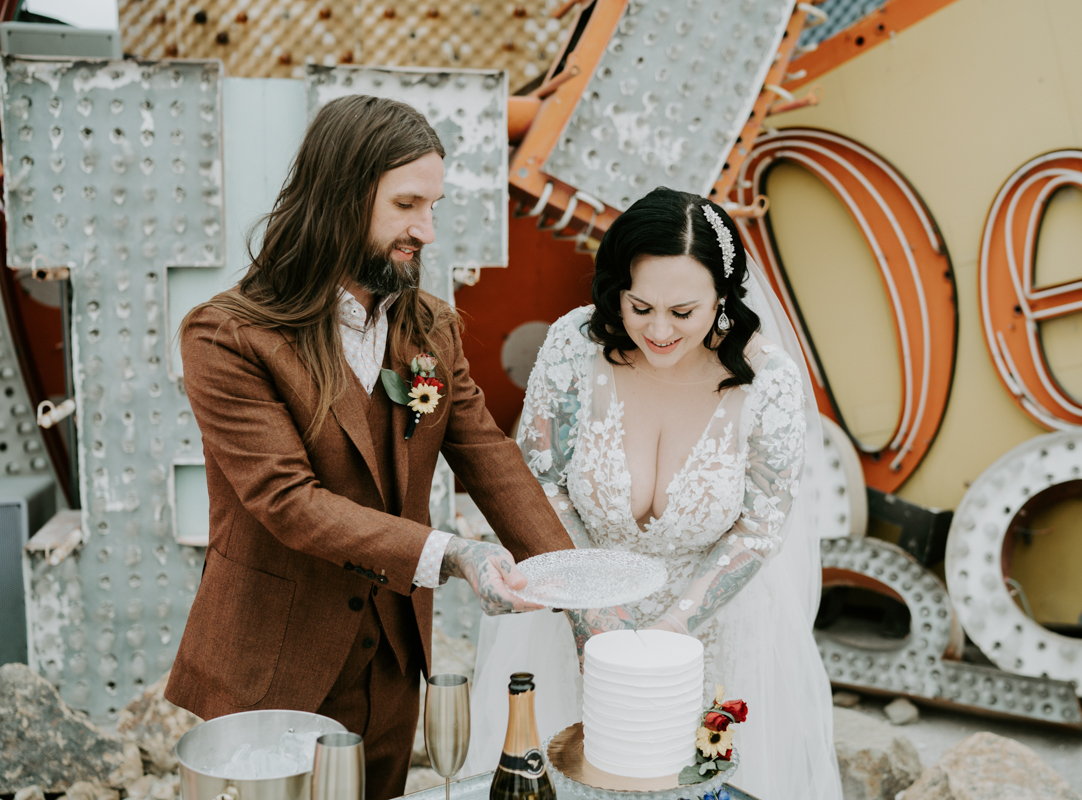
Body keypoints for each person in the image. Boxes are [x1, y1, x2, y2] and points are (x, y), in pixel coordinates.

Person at [165, 96, 573, 800]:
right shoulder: (225, 336)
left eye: (434, 206)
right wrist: (452, 554)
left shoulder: (433, 328)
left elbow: (487, 454)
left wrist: (578, 587)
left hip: (391, 660)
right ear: (340, 197)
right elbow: (288, 502)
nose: (427, 231)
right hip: (273, 664)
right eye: (408, 205)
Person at [467, 187, 842, 799]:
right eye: (639, 307)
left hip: (711, 632)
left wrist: (676, 628)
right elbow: (541, 484)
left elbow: (760, 524)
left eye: (684, 312)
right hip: (575, 610)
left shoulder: (767, 379)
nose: (659, 331)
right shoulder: (573, 347)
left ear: (723, 297)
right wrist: (591, 612)